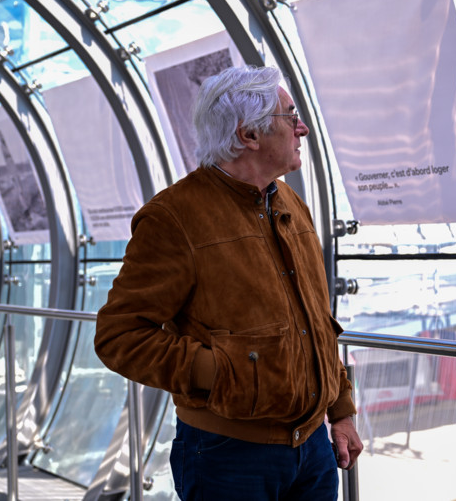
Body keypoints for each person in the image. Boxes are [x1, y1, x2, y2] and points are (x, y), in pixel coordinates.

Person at [95, 65, 362, 500]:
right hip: (227, 458)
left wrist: (342, 411)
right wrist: (220, 370)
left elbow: (315, 321)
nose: (303, 128)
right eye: (290, 116)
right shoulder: (174, 217)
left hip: (314, 451)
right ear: (249, 136)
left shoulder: (290, 201)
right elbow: (118, 337)